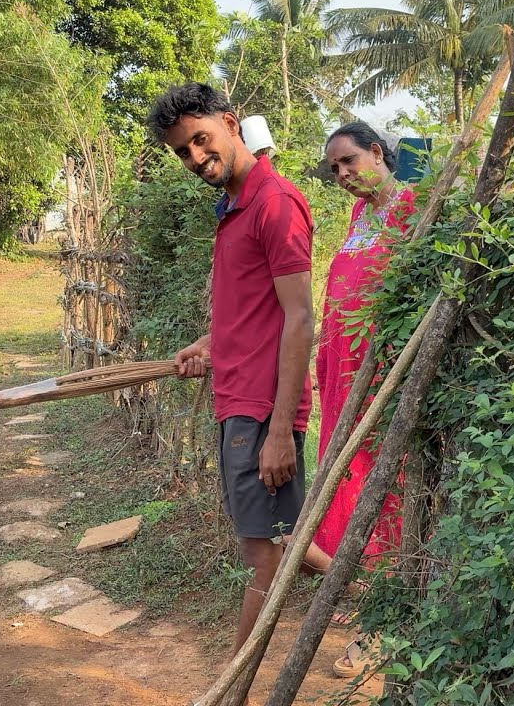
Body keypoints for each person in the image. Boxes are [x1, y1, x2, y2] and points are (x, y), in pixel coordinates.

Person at [146, 84, 316, 663]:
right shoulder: (234, 204)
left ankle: (231, 688)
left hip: (259, 409)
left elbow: (299, 319)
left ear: (229, 121)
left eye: (201, 139)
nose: (196, 158)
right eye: (182, 151)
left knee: (262, 556)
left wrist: (277, 431)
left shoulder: (274, 202)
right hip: (238, 398)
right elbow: (253, 315)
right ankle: (363, 581)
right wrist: (210, 345)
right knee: (279, 537)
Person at [305, 121, 416, 677]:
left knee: (383, 483)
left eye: (349, 162)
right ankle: (362, 589)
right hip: (344, 375)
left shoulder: (415, 208)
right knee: (345, 482)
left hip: (383, 381)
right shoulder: (358, 217)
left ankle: (385, 612)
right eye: (336, 170)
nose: (343, 175)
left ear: (377, 152)